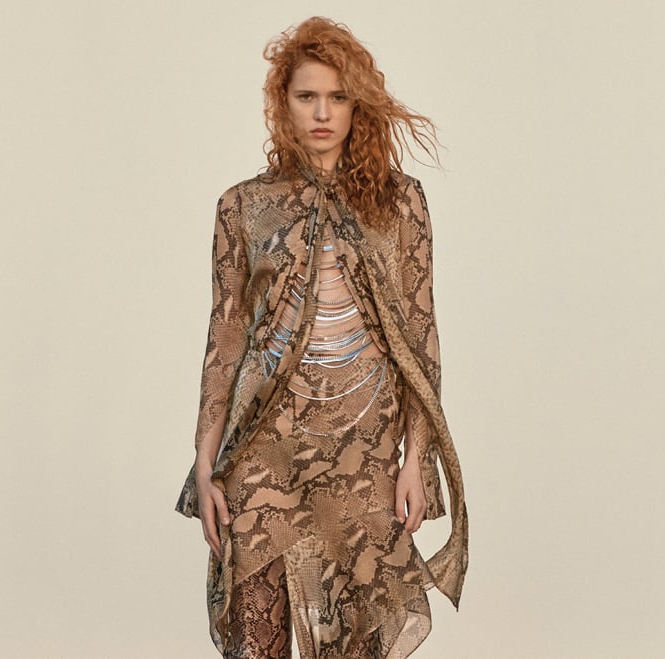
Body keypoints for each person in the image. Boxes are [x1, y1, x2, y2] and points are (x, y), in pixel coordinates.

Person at [174, 16, 468, 659]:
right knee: (257, 637)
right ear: (282, 103)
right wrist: (204, 461)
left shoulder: (401, 202)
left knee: (360, 637)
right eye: (306, 96)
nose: (322, 112)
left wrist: (415, 461)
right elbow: (225, 338)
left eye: (338, 97)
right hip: (264, 450)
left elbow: (421, 336)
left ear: (358, 105)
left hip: (365, 450)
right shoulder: (242, 207)